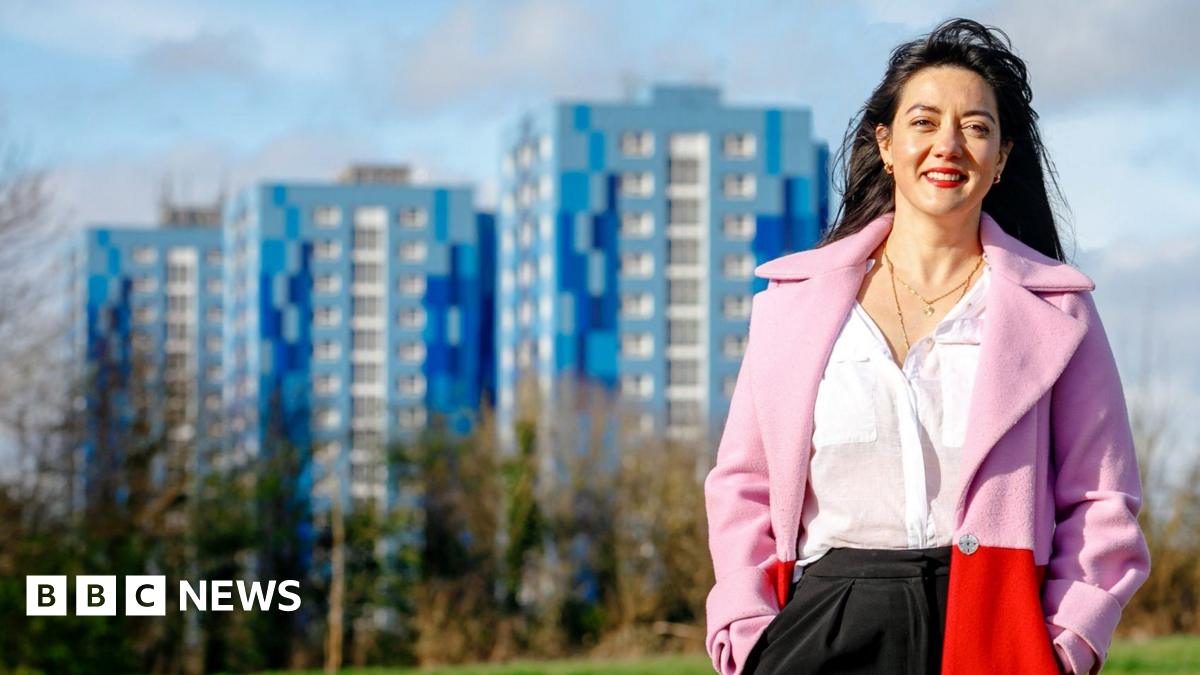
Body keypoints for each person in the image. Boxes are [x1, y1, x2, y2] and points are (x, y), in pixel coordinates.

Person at [703, 18, 1150, 675]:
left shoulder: (1059, 311)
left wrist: (1067, 641)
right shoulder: (792, 304)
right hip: (823, 622)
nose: (949, 144)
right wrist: (746, 629)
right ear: (885, 144)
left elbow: (1102, 500)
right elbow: (742, 484)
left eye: (975, 126)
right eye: (924, 121)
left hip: (997, 629)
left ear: (1000, 159)